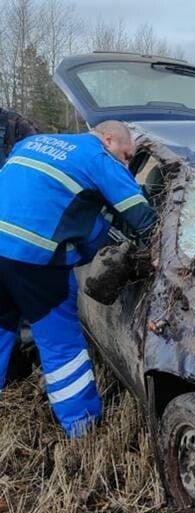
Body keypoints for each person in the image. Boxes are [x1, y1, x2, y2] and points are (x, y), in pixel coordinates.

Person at [0, 120, 157, 436]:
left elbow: (46, 196)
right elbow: (142, 216)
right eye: (127, 156)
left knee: (1, 327)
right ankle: (82, 426)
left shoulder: (34, 143)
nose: (127, 165)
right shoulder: (98, 157)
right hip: (34, 261)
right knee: (61, 345)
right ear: (109, 140)